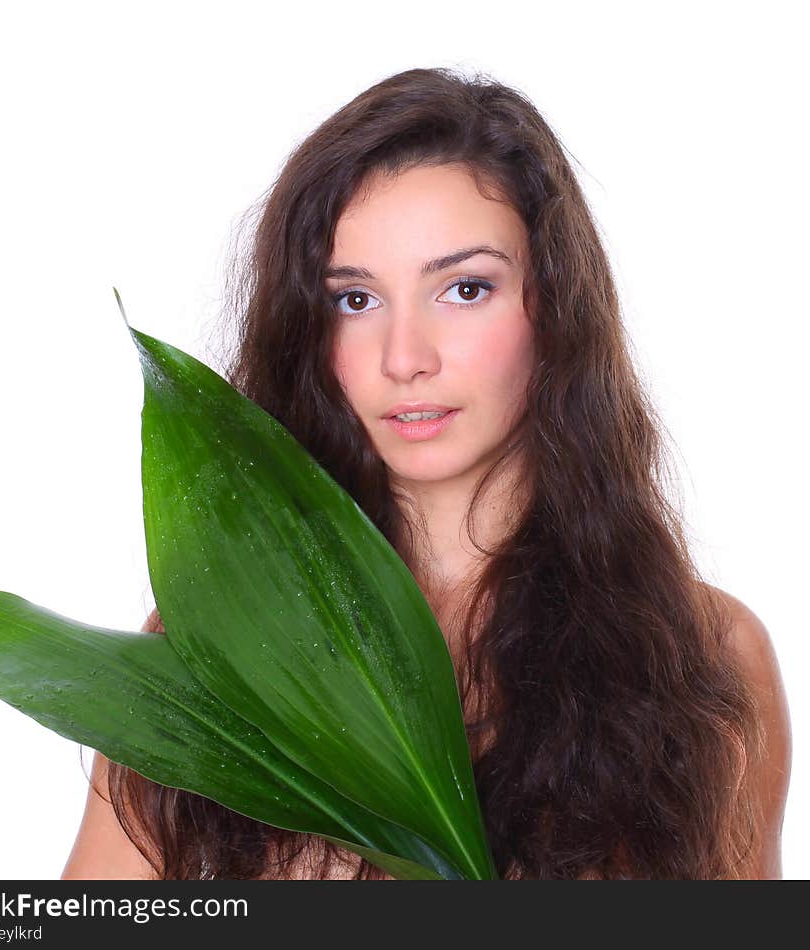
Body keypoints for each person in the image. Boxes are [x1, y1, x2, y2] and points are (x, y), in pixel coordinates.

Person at [61, 66, 791, 880]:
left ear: (554, 307)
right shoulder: (217, 642)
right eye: (355, 300)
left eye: (465, 288)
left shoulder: (705, 656)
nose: (405, 358)